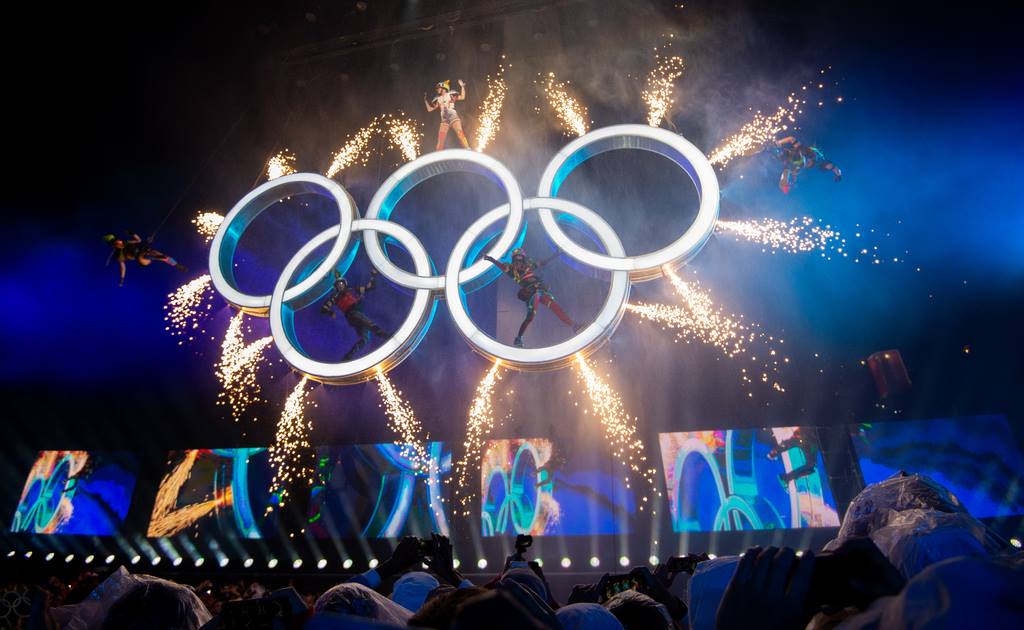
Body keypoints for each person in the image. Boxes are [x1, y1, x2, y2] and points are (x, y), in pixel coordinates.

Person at [483, 248, 582, 347]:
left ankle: (574, 325)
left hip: (540, 290)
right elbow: (501, 266)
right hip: (532, 293)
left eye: (520, 260)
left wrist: (554, 255)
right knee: (530, 317)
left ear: (523, 260)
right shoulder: (512, 271)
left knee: (556, 308)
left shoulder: (528, 266)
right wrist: (491, 259)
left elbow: (542, 263)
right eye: (516, 260)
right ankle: (519, 338)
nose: (518, 263)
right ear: (513, 261)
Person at [320, 269, 392, 360]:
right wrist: (331, 313)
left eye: (341, 283)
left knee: (365, 339)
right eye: (338, 284)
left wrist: (373, 276)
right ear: (336, 287)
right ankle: (385, 336)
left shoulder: (352, 290)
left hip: (357, 315)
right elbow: (324, 308)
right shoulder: (335, 296)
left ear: (344, 284)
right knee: (369, 323)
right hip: (352, 314)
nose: (340, 285)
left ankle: (348, 356)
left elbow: (369, 287)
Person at [104, 232, 187, 287]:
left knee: (164, 256)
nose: (119, 241)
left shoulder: (126, 242)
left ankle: (176, 265)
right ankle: (158, 258)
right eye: (115, 242)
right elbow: (123, 267)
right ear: (113, 245)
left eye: (117, 239)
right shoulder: (119, 255)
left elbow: (138, 240)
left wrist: (133, 234)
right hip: (142, 260)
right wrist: (122, 279)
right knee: (150, 256)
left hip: (145, 251)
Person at [773, 136, 841, 194]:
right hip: (794, 156)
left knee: (793, 168)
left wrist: (838, 174)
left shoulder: (803, 162)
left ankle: (785, 183)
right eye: (809, 162)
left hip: (794, 160)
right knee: (793, 166)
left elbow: (833, 167)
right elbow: (791, 138)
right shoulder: (803, 151)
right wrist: (779, 142)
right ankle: (785, 182)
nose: (808, 163)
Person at [424, 79, 470, 150]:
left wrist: (462, 87)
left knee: (460, 133)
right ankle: (438, 154)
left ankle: (467, 149)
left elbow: (462, 97)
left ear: (443, 87)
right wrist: (425, 101)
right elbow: (429, 109)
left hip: (453, 117)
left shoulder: (450, 95)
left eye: (438, 88)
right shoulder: (438, 99)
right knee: (441, 138)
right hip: (444, 119)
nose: (437, 90)